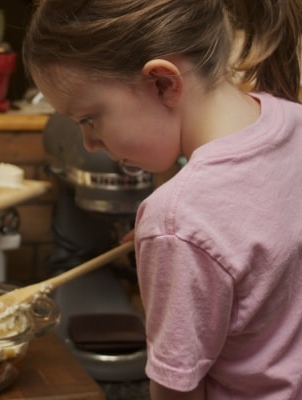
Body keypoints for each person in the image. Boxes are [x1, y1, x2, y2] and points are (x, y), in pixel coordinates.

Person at [22, 0, 302, 398]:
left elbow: (176, 392)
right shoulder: (292, 122)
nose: (90, 143)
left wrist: (173, 236)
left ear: (163, 83)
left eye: (89, 118)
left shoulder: (179, 219)